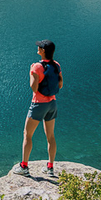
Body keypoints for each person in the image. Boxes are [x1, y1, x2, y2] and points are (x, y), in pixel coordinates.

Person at [16, 39, 61, 176]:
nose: (38, 48)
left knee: (27, 135)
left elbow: (34, 88)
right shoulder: (56, 65)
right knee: (50, 136)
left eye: (40, 47)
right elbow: (60, 84)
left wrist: (31, 73)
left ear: (43, 51)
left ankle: (24, 167)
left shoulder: (36, 66)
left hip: (38, 105)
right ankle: (50, 168)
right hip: (52, 104)